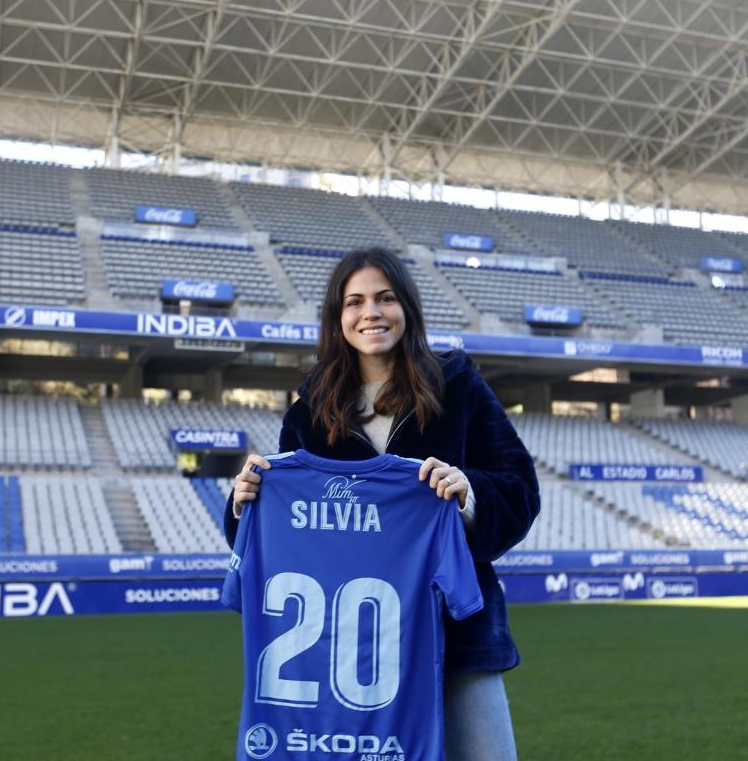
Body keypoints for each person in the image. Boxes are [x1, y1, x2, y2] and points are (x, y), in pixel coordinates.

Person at [225, 246, 540, 760]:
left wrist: (469, 495)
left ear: (407, 309)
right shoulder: (309, 411)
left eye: (385, 298)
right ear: (338, 318)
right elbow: (276, 535)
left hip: (458, 640)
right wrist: (242, 504)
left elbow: (522, 490)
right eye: (355, 302)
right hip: (347, 657)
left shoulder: (458, 386)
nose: (371, 312)